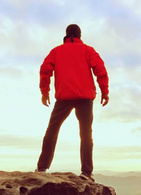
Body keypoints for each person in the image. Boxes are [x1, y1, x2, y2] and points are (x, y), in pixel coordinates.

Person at [36, 24, 109, 182]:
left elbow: (45, 70)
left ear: (66, 35)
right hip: (85, 98)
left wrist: (45, 92)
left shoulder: (56, 51)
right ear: (79, 36)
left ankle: (42, 168)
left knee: (52, 130)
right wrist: (104, 91)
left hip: (63, 98)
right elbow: (100, 70)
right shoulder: (88, 50)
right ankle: (87, 172)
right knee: (86, 133)